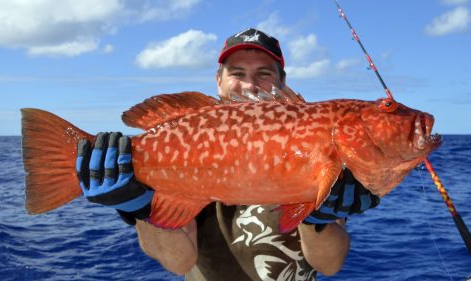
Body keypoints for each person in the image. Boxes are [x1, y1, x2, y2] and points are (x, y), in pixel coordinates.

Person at [76, 28, 380, 281]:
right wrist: (140, 210)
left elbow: (329, 265)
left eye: (263, 74)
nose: (249, 84)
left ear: (282, 83)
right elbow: (179, 262)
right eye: (237, 73)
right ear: (218, 80)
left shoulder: (316, 143)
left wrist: (320, 219)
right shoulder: (184, 139)